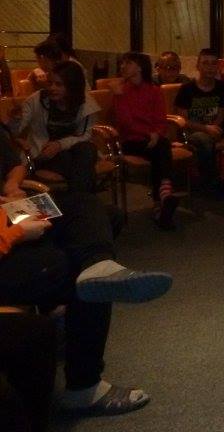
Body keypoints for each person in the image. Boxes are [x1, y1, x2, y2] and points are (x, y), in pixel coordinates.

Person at [0, 122, 172, 419]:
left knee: (93, 210)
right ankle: (84, 385)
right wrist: (16, 234)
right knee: (72, 266)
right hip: (7, 238)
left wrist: (11, 189)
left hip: (6, 213)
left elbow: (13, 164)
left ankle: (98, 265)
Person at [7, 60, 100, 200]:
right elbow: (13, 132)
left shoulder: (85, 102)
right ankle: (83, 200)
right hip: (43, 153)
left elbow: (85, 135)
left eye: (59, 84)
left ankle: (78, 200)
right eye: (50, 83)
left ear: (72, 86)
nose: (52, 88)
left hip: (72, 151)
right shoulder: (37, 100)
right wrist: (16, 118)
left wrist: (60, 144)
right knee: (81, 165)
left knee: (88, 149)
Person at [111, 53, 179, 229]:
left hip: (151, 140)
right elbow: (125, 124)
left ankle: (161, 205)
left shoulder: (154, 91)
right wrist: (119, 96)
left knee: (160, 149)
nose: (123, 66)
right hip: (130, 141)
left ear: (140, 67)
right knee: (162, 147)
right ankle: (163, 196)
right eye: (122, 63)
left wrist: (156, 134)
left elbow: (161, 120)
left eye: (128, 63)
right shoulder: (121, 91)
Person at [173, 49, 224, 199]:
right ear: (198, 66)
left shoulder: (221, 87)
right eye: (205, 63)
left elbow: (222, 111)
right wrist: (206, 129)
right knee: (203, 139)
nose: (210, 67)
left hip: (215, 126)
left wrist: (216, 127)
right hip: (194, 131)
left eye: (213, 63)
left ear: (217, 67)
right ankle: (213, 184)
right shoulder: (187, 89)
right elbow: (183, 120)